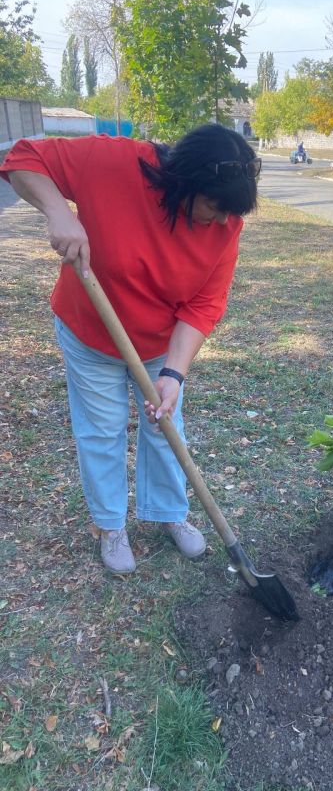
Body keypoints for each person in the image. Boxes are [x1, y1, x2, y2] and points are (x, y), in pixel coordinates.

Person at [0, 124, 261, 575]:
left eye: (230, 214)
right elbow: (23, 158)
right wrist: (59, 213)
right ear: (185, 183)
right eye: (215, 208)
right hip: (91, 332)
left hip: (160, 343)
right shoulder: (115, 162)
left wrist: (173, 375)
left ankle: (168, 513)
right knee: (101, 431)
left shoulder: (226, 225)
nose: (222, 222)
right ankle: (110, 526)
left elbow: (205, 304)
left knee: (165, 426)